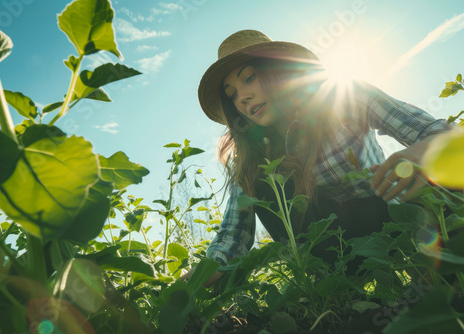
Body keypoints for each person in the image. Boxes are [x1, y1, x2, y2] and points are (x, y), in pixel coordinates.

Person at [181, 29, 453, 286]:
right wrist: (198, 276)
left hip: (398, 221)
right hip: (335, 253)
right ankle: (335, 297)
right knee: (262, 180)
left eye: (249, 78)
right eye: (232, 94)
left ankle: (443, 276)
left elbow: (441, 133)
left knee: (449, 185)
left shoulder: (344, 96)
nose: (242, 98)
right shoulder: (252, 158)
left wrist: (421, 152)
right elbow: (233, 235)